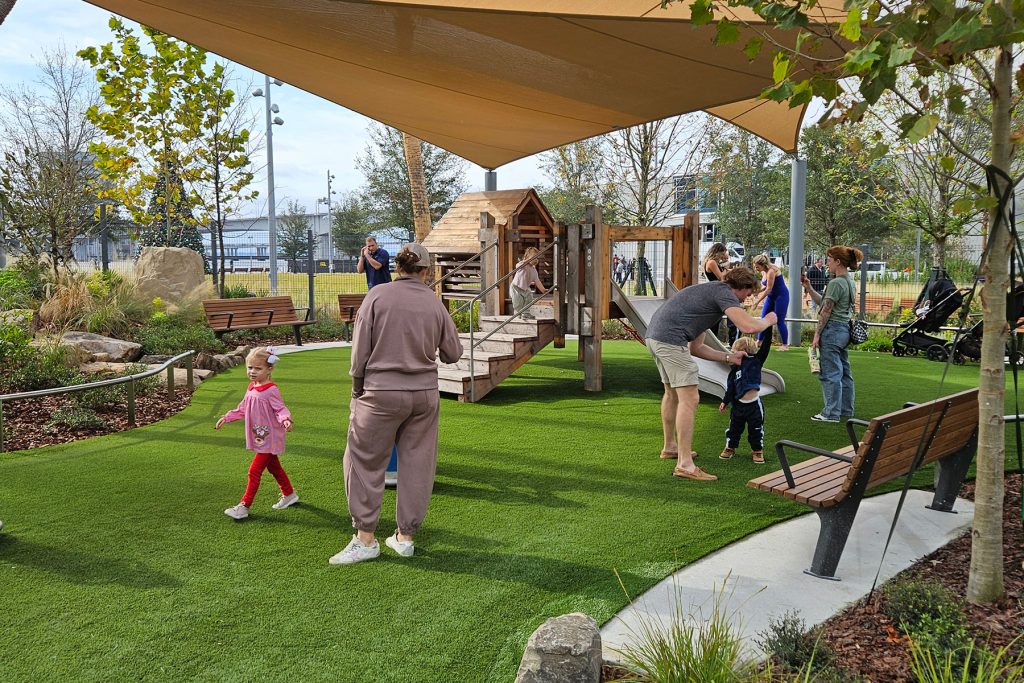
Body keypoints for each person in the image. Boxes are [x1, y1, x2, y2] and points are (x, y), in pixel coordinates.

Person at [330, 242, 464, 565]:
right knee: (418, 464)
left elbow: (360, 352)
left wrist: (356, 388)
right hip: (424, 396)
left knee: (362, 459)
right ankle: (405, 537)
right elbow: (453, 353)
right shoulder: (434, 304)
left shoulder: (377, 296)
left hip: (380, 394)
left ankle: (365, 539)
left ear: (397, 267)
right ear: (426, 271)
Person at [646, 267, 777, 481]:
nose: (747, 299)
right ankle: (685, 465)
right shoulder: (723, 293)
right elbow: (747, 326)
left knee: (671, 393)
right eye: (748, 293)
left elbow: (696, 348)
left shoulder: (710, 300)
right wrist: (769, 320)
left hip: (655, 338)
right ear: (739, 288)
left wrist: (728, 358)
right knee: (690, 398)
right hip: (669, 340)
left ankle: (671, 447)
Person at [216, 347, 297, 520]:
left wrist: (286, 419)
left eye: (257, 368)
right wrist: (227, 417)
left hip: (270, 438)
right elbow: (243, 408)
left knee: (254, 471)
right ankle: (289, 494)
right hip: (260, 436)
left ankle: (244, 506)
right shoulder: (252, 388)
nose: (252, 372)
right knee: (274, 467)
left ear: (269, 369)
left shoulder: (271, 390)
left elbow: (280, 408)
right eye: (250, 368)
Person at [800, 246, 863, 423]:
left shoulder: (836, 283)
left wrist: (817, 335)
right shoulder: (849, 281)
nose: (827, 262)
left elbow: (826, 311)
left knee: (830, 373)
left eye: (829, 259)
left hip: (832, 331)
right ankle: (845, 409)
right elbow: (826, 303)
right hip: (844, 330)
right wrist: (810, 288)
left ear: (838, 261)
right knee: (844, 372)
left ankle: (830, 413)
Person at [718, 328, 772, 464]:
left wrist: (768, 327)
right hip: (738, 406)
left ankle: (757, 451)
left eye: (734, 351)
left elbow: (766, 346)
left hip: (754, 406)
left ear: (743, 351)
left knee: (756, 430)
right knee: (734, 428)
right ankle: (730, 447)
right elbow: (731, 387)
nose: (733, 354)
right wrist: (725, 401)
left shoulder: (756, 361)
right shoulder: (734, 368)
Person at [751, 254, 791, 351]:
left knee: (779, 320)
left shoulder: (771, 271)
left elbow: (769, 289)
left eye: (757, 267)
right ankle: (759, 341)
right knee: (763, 318)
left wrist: (757, 302)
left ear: (763, 265)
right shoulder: (763, 272)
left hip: (781, 296)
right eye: (755, 267)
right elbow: (766, 286)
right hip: (771, 296)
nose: (756, 269)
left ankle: (785, 345)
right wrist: (757, 292)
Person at [702, 243, 738, 344]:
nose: (723, 256)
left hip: (717, 291)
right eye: (722, 254)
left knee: (717, 317)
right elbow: (721, 278)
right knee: (715, 319)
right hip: (715, 291)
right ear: (717, 252)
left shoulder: (715, 262)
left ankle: (714, 341)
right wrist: (726, 267)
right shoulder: (712, 262)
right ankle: (711, 341)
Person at [511, 247, 548, 320]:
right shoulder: (522, 265)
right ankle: (517, 313)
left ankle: (526, 313)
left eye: (537, 258)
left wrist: (543, 289)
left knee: (529, 299)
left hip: (526, 288)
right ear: (526, 257)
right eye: (533, 257)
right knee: (518, 302)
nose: (535, 260)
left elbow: (537, 280)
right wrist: (526, 261)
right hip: (516, 287)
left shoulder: (534, 270)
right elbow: (517, 266)